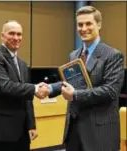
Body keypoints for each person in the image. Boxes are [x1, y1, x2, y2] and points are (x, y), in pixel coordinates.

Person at [48, 6, 124, 151]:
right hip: (74, 132)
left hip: (100, 134)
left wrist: (75, 95)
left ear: (99, 25)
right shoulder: (74, 55)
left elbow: (110, 91)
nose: (83, 28)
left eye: (88, 24)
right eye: (80, 24)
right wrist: (50, 88)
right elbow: (71, 83)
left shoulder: (113, 55)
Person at [0, 20, 49, 151]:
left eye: (19, 34)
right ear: (2, 36)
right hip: (0, 132)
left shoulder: (22, 64)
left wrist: (31, 125)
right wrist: (35, 88)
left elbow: (26, 97)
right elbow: (5, 86)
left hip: (21, 133)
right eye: (11, 33)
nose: (16, 38)